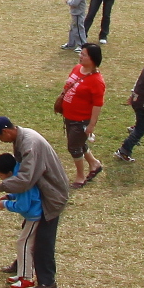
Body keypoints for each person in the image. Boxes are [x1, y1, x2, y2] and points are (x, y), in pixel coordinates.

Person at [0, 116, 68, 288]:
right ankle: (21, 267)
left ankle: (47, 282)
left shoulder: (29, 144)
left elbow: (25, 179)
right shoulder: (21, 138)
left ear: (6, 131)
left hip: (51, 195)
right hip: (39, 193)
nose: (1, 141)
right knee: (28, 234)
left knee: (42, 241)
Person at [57, 43, 106, 186]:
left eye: (84, 55)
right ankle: (94, 164)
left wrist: (91, 125)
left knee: (74, 147)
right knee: (79, 143)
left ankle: (80, 176)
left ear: (93, 59)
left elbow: (97, 105)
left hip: (81, 119)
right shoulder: (77, 68)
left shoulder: (97, 81)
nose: (80, 56)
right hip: (69, 115)